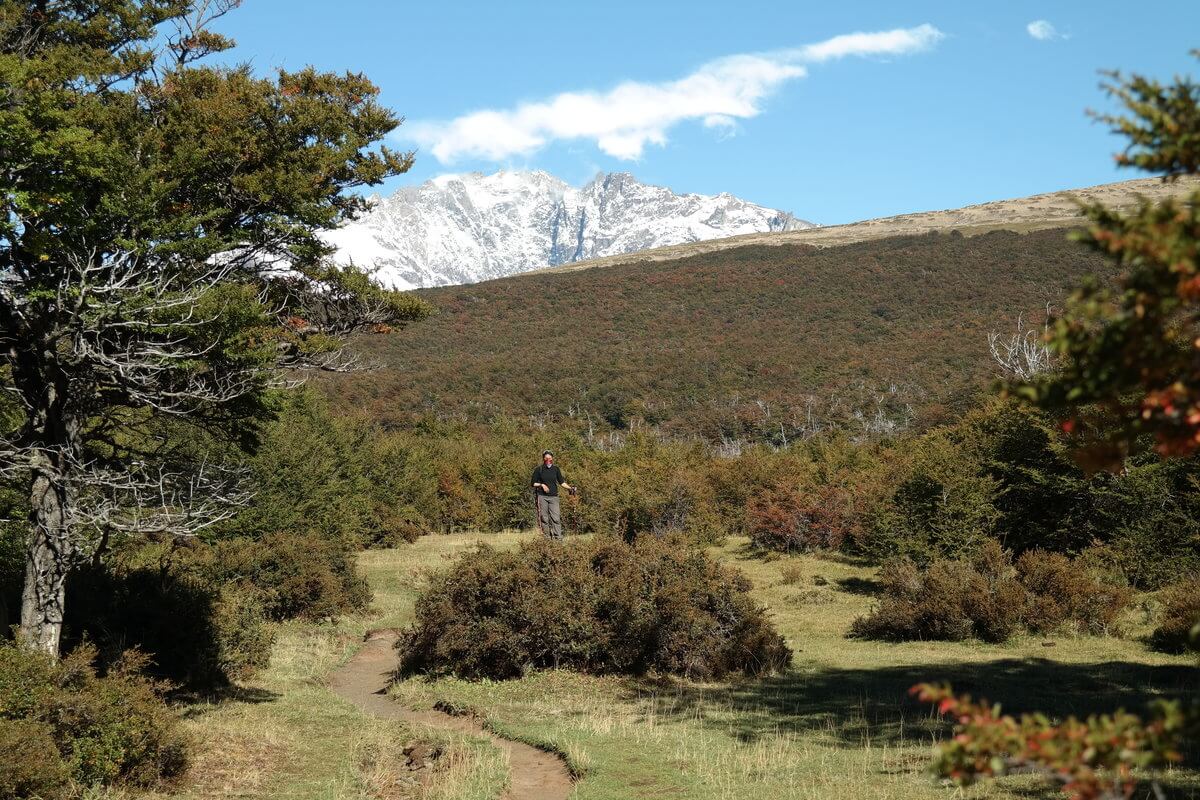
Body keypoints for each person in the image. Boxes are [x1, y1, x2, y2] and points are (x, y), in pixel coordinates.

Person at [531, 450, 574, 540]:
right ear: (543, 458)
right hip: (542, 497)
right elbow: (533, 483)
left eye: (550, 458)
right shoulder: (539, 469)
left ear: (552, 458)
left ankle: (558, 538)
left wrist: (570, 488)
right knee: (544, 519)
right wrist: (542, 485)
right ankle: (546, 538)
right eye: (546, 458)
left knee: (556, 518)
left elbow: (561, 482)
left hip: (554, 497)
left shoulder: (556, 469)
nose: (548, 459)